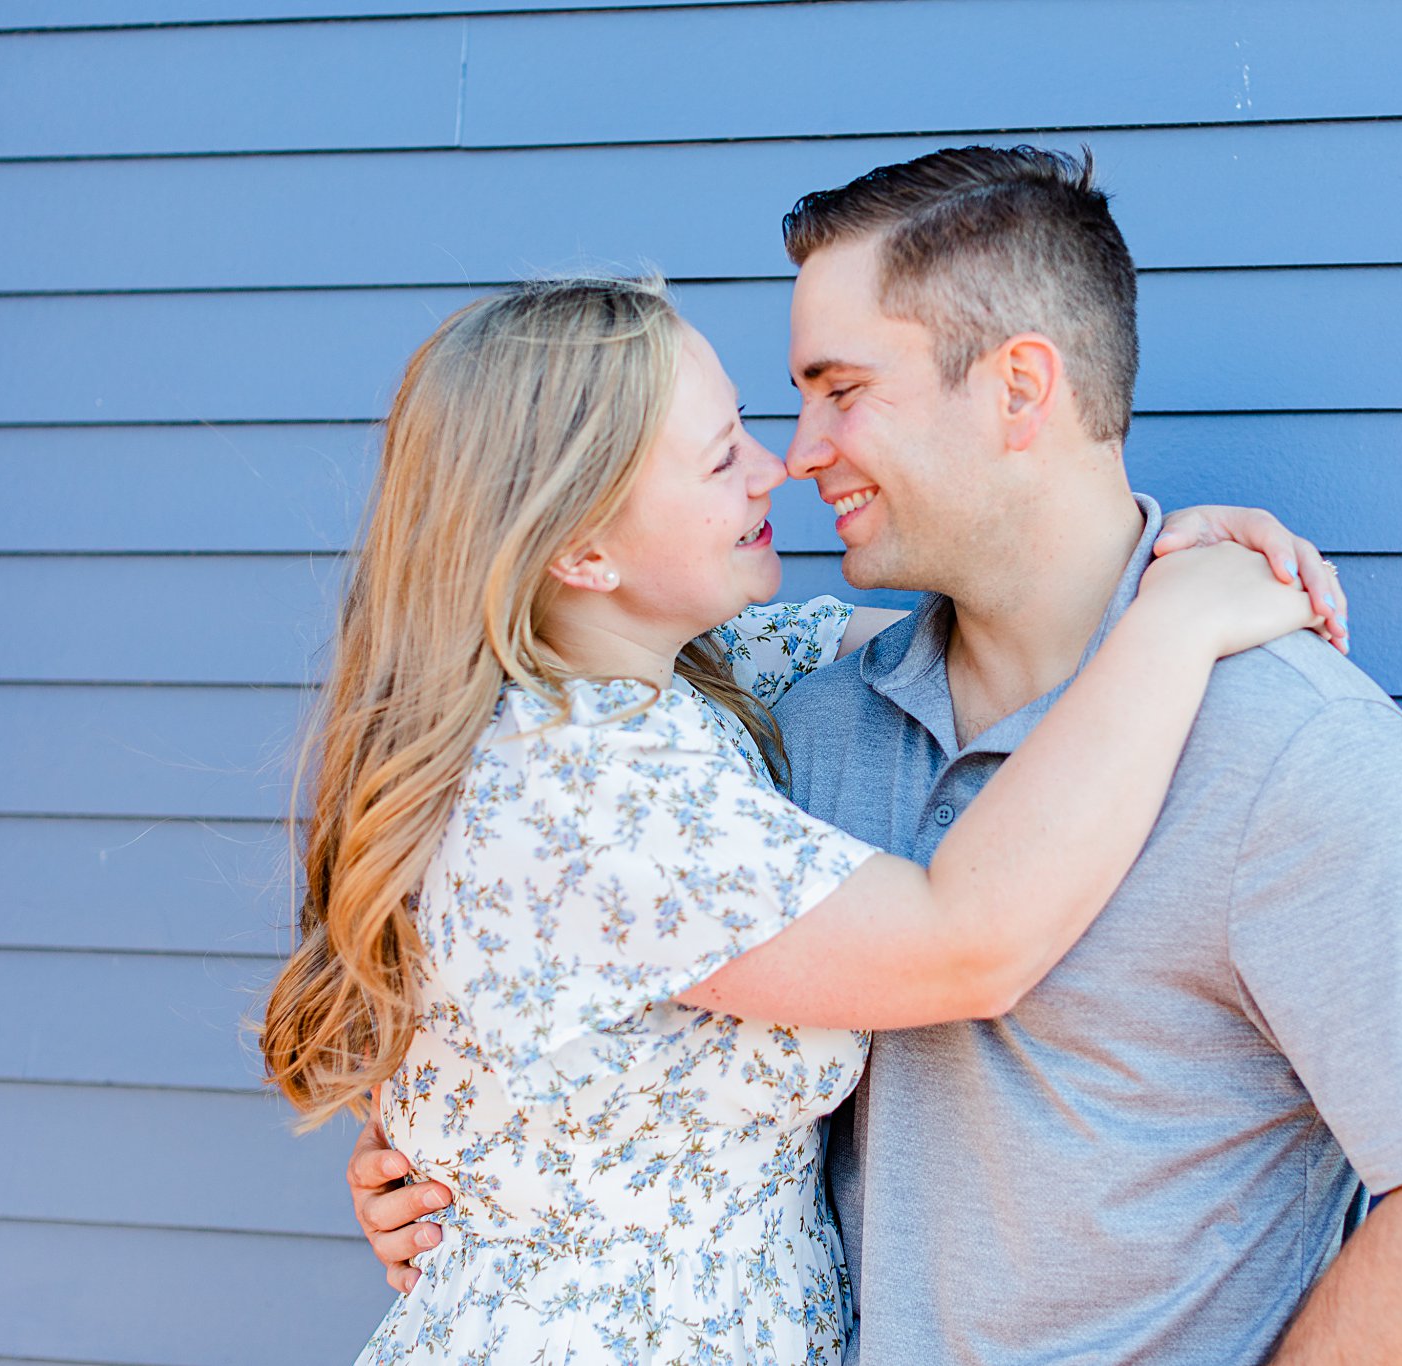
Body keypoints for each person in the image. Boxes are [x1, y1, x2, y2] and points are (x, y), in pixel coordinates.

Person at [353, 147, 1402, 1365]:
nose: (800, 451)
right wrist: (480, 1175)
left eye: (841, 389)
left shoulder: (1291, 748)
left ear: (1016, 390)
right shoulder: (795, 721)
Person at [263, 274, 1343, 1363]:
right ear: (582, 552)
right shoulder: (584, 787)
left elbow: (1011, 643)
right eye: (719, 452)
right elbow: (967, 943)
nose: (774, 465)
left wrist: (1149, 560)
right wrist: (1175, 627)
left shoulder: (689, 682)